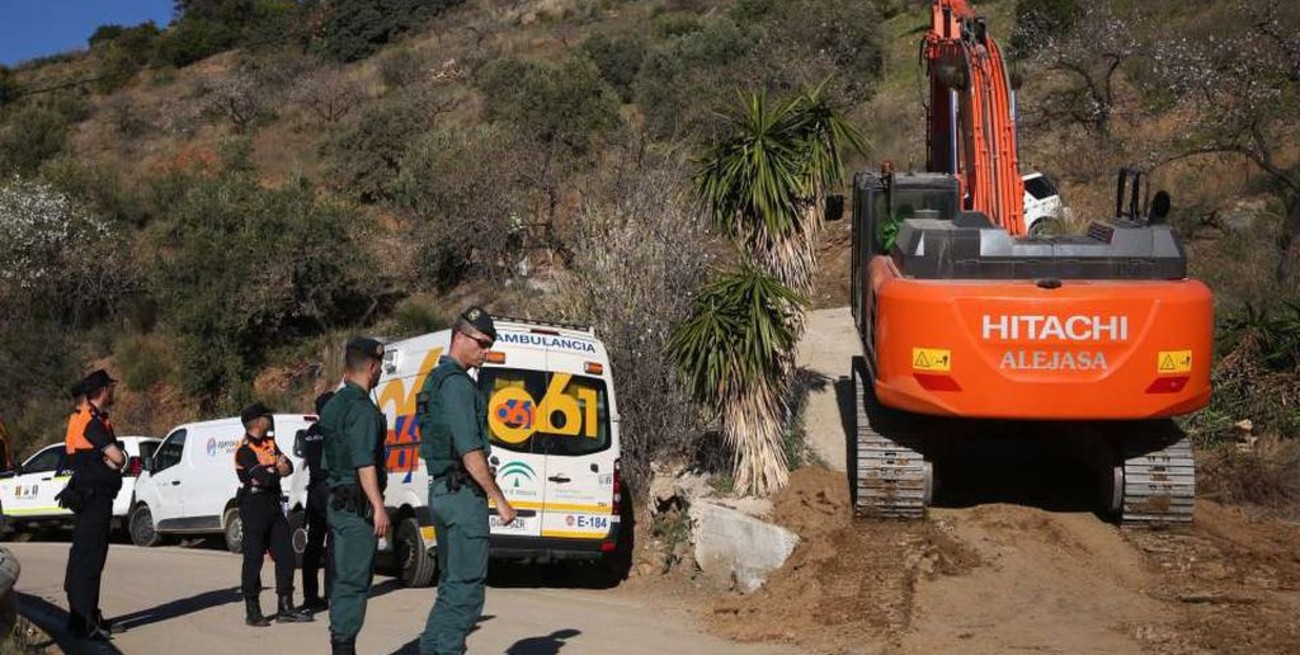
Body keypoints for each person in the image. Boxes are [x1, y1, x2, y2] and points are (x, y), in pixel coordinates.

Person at [417, 307, 517, 655]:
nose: (486, 352)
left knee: (450, 588)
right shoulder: (458, 384)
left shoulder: (435, 379)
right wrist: (498, 499)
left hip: (444, 492)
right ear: (460, 336)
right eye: (482, 343)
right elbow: (470, 450)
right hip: (462, 498)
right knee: (466, 593)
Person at [320, 338, 389, 655]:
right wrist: (378, 506)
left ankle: (342, 642)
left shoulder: (334, 403)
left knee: (342, 576)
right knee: (354, 581)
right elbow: (364, 462)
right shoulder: (361, 409)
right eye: (380, 367)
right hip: (357, 505)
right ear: (372, 367)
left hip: (336, 499)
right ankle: (344, 646)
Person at [60, 369, 126, 641]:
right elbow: (118, 458)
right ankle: (85, 621)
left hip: (90, 496)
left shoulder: (86, 418)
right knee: (91, 559)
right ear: (102, 391)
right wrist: (116, 458)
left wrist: (112, 460)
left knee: (84, 557)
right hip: (94, 498)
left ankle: (83, 618)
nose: (113, 392)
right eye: (110, 387)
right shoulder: (91, 423)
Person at [234, 402, 313, 627]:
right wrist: (275, 469)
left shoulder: (269, 444)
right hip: (253, 505)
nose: (270, 418)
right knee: (253, 559)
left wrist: (275, 469)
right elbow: (265, 477)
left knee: (286, 554)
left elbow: (287, 466)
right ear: (257, 421)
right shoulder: (244, 450)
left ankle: (285, 607)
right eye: (266, 416)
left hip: (272, 504)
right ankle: (253, 609)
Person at [297, 391, 335, 613]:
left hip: (314, 491)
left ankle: (310, 596)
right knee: (332, 544)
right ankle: (330, 593)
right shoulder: (333, 431)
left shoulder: (311, 432)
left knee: (313, 545)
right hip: (329, 489)